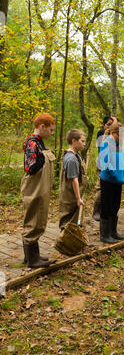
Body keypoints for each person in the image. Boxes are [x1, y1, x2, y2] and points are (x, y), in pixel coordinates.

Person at [21, 113, 56, 268]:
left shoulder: (39, 143)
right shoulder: (32, 144)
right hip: (34, 189)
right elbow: (30, 168)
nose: (51, 133)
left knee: (39, 220)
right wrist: (40, 160)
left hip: (41, 188)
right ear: (42, 126)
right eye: (50, 130)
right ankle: (31, 260)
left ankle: (33, 256)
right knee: (33, 221)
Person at [99, 122, 124, 244]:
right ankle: (104, 235)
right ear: (113, 133)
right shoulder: (106, 144)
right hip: (108, 180)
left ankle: (113, 232)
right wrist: (116, 175)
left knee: (115, 205)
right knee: (107, 206)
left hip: (117, 181)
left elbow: (121, 161)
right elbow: (105, 164)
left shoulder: (118, 145)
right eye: (120, 135)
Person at [58, 130, 87, 230]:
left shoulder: (76, 155)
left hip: (74, 195)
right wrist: (78, 198)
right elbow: (74, 180)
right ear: (74, 141)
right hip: (71, 196)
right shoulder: (71, 159)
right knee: (68, 222)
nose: (84, 144)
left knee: (74, 222)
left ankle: (73, 241)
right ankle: (64, 242)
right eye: (82, 141)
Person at [92, 116, 114, 221]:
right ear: (104, 125)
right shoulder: (101, 133)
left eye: (112, 124)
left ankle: (105, 210)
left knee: (109, 188)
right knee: (100, 187)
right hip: (102, 162)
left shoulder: (114, 134)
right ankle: (96, 210)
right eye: (108, 124)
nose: (110, 127)